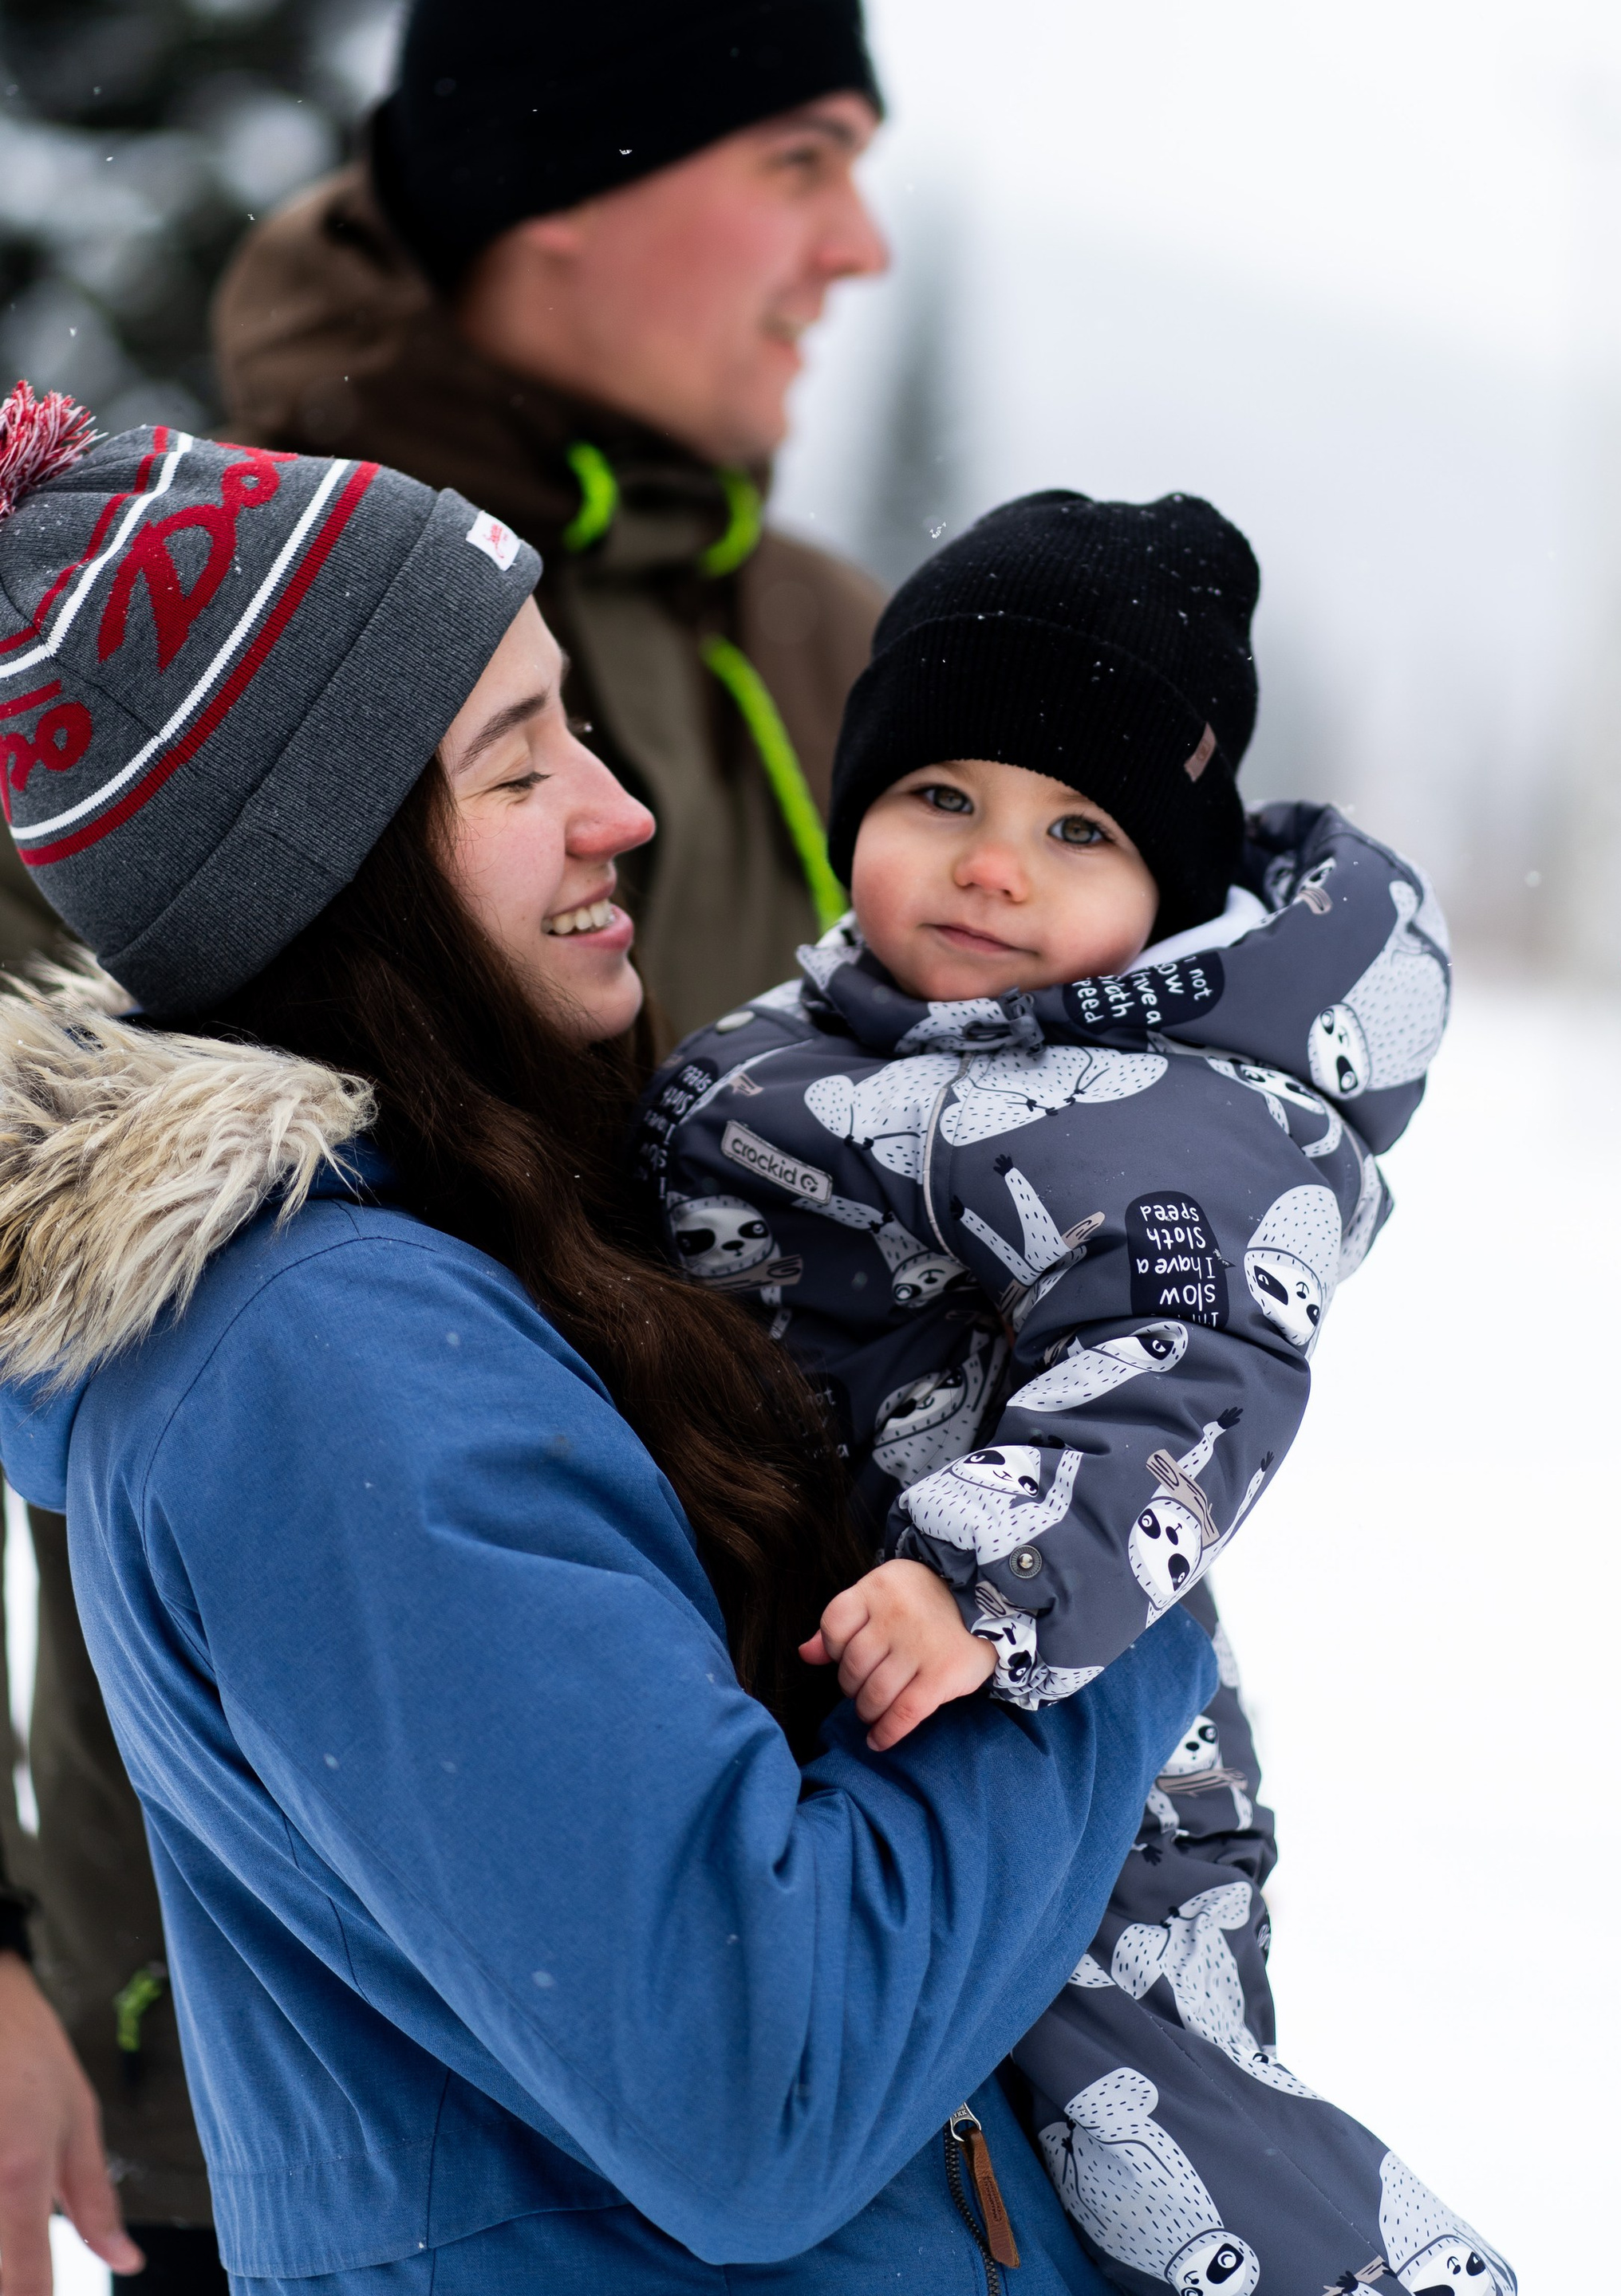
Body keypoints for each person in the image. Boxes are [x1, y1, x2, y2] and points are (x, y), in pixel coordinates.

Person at [0, 396, 1217, 2291]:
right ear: (331, 873)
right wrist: (1101, 1583)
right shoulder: (332, 1366)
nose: (617, 806)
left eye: (571, 720)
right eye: (516, 767)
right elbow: (759, 2078)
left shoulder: (430, 1266)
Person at [0, 0, 893, 2284]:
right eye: (799, 164)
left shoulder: (826, 648)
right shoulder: (169, 656)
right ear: (566, 198)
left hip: (758, 1941)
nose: (857, 247)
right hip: (267, 2037)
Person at [634, 490, 1518, 2295]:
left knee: (1155, 2137)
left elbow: (1178, 1377)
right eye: (939, 796)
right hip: (849, 1672)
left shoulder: (1176, 1118)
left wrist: (983, 1577)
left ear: (1165, 891)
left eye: (1076, 830)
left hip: (1068, 1728)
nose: (990, 868)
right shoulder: (790, 1049)